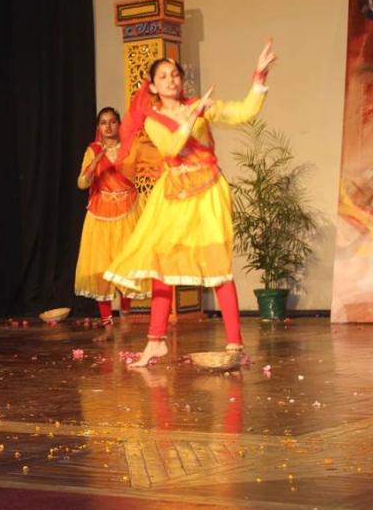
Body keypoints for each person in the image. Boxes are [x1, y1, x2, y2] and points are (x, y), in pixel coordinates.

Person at [105, 38, 277, 367]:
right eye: (163, 76)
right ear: (153, 86)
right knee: (162, 264)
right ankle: (155, 342)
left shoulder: (201, 105)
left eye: (175, 74)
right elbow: (170, 149)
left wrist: (259, 75)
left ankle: (234, 344)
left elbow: (245, 111)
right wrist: (190, 117)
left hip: (208, 189)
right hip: (173, 194)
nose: (171, 80)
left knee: (217, 265)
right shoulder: (154, 118)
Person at [74, 107, 148, 341]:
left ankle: (125, 313)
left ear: (119, 125)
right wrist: (97, 159)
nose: (108, 126)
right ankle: (107, 327)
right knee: (101, 272)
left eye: (112, 121)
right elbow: (82, 183)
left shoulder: (131, 146)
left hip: (128, 210)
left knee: (126, 266)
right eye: (103, 122)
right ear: (99, 127)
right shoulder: (92, 150)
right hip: (100, 215)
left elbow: (147, 166)